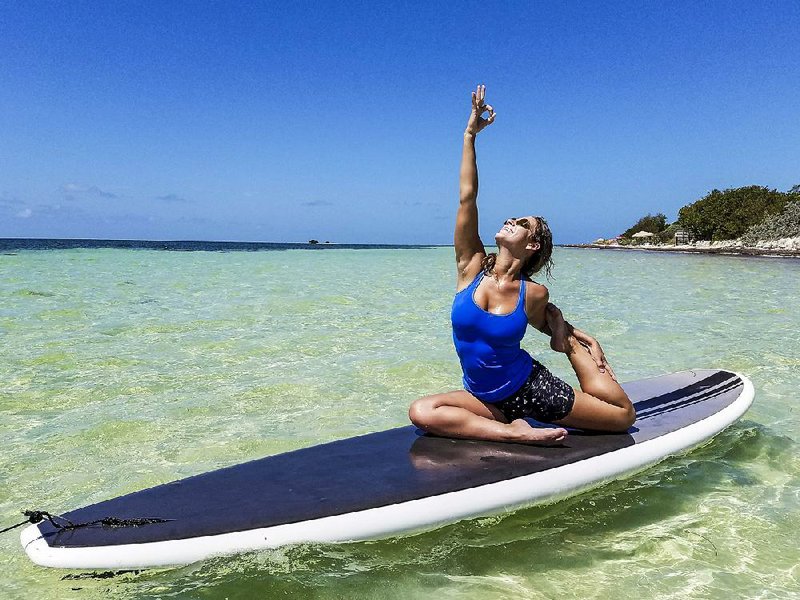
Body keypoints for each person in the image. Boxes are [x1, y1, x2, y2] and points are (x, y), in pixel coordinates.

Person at [408, 85, 636, 445]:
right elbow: (467, 197)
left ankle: (536, 406)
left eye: (522, 223)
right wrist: (469, 135)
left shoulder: (533, 294)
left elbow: (544, 323)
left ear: (532, 244)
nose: (511, 219)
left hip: (531, 389)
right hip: (486, 401)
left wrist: (573, 335)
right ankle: (513, 432)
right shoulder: (471, 267)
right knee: (422, 412)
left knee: (622, 417)